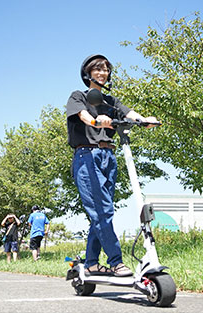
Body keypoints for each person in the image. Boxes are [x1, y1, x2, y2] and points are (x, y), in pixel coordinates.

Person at [66, 54, 158, 277]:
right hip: (87, 156)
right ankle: (116, 261)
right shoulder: (79, 96)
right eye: (97, 69)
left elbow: (128, 112)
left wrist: (144, 119)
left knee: (102, 213)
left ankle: (91, 263)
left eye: (106, 69)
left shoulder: (110, 101)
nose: (102, 73)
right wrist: (97, 121)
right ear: (88, 74)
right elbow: (84, 115)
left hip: (109, 157)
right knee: (102, 211)